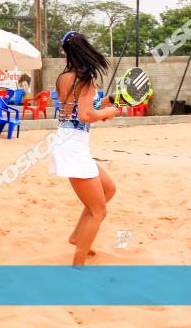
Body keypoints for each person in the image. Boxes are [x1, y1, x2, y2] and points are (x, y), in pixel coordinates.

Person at [51, 30, 121, 266]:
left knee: (108, 189)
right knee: (99, 211)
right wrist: (108, 113)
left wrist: (107, 102)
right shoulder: (86, 78)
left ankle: (76, 237)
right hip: (73, 145)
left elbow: (78, 108)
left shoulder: (64, 77)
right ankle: (78, 263)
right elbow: (84, 114)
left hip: (67, 140)